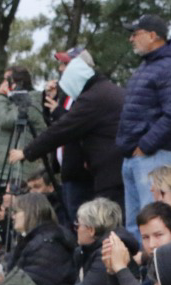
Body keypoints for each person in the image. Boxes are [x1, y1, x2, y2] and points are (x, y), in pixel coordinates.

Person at [14, 49, 127, 216]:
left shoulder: (94, 96)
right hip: (82, 169)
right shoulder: (97, 91)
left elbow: (64, 128)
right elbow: (56, 125)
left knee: (101, 218)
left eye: (66, 64)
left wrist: (27, 152)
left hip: (100, 172)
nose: (61, 69)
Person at [116, 13, 171, 229]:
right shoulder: (147, 66)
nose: (131, 39)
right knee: (136, 225)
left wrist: (144, 146)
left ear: (152, 35)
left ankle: (155, 263)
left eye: (135, 34)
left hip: (153, 155)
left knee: (153, 223)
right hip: (135, 156)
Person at [6, 192, 75, 285]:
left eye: (16, 212)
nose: (12, 216)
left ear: (31, 212)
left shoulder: (49, 244)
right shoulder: (35, 240)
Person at [0, 66, 48, 185]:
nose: (3, 84)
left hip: (16, 172)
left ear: (19, 83)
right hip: (5, 170)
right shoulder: (14, 103)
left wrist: (1, 96)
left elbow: (5, 120)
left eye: (7, 80)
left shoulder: (30, 103)